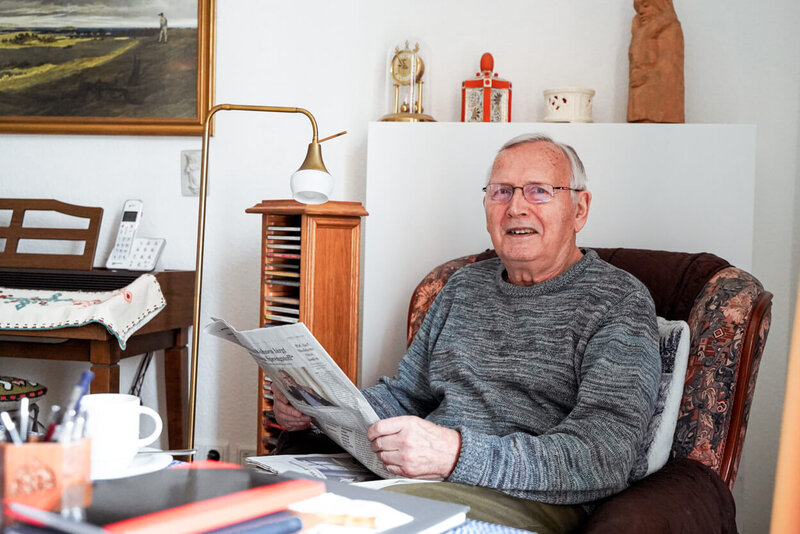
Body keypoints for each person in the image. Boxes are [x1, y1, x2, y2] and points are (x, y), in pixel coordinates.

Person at [273, 134, 660, 533]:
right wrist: (319, 406)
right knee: (272, 507)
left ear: (580, 209)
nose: (516, 207)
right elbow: (406, 396)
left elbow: (605, 455)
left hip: (526, 499)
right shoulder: (463, 286)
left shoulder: (618, 301)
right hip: (421, 480)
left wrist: (456, 455)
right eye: (501, 191)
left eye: (539, 191)